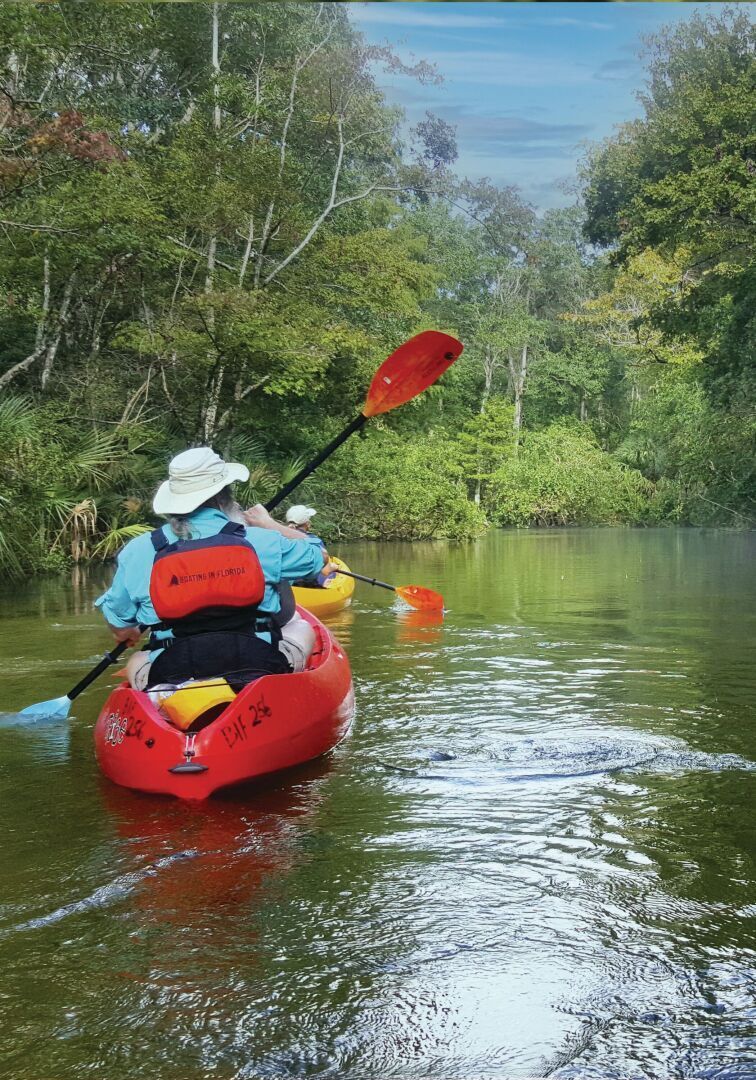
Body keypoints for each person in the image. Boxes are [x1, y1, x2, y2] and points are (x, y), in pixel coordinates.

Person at [95, 447, 335, 691]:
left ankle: (161, 702)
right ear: (225, 496)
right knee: (301, 626)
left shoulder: (139, 550)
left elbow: (117, 619)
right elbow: (319, 557)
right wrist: (269, 524)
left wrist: (129, 633)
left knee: (138, 658)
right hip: (257, 663)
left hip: (172, 670)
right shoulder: (260, 540)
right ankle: (279, 694)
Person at [284, 504, 331, 588]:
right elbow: (323, 567)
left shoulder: (280, 538)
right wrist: (331, 571)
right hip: (307, 587)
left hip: (285, 585)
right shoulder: (314, 540)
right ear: (307, 523)